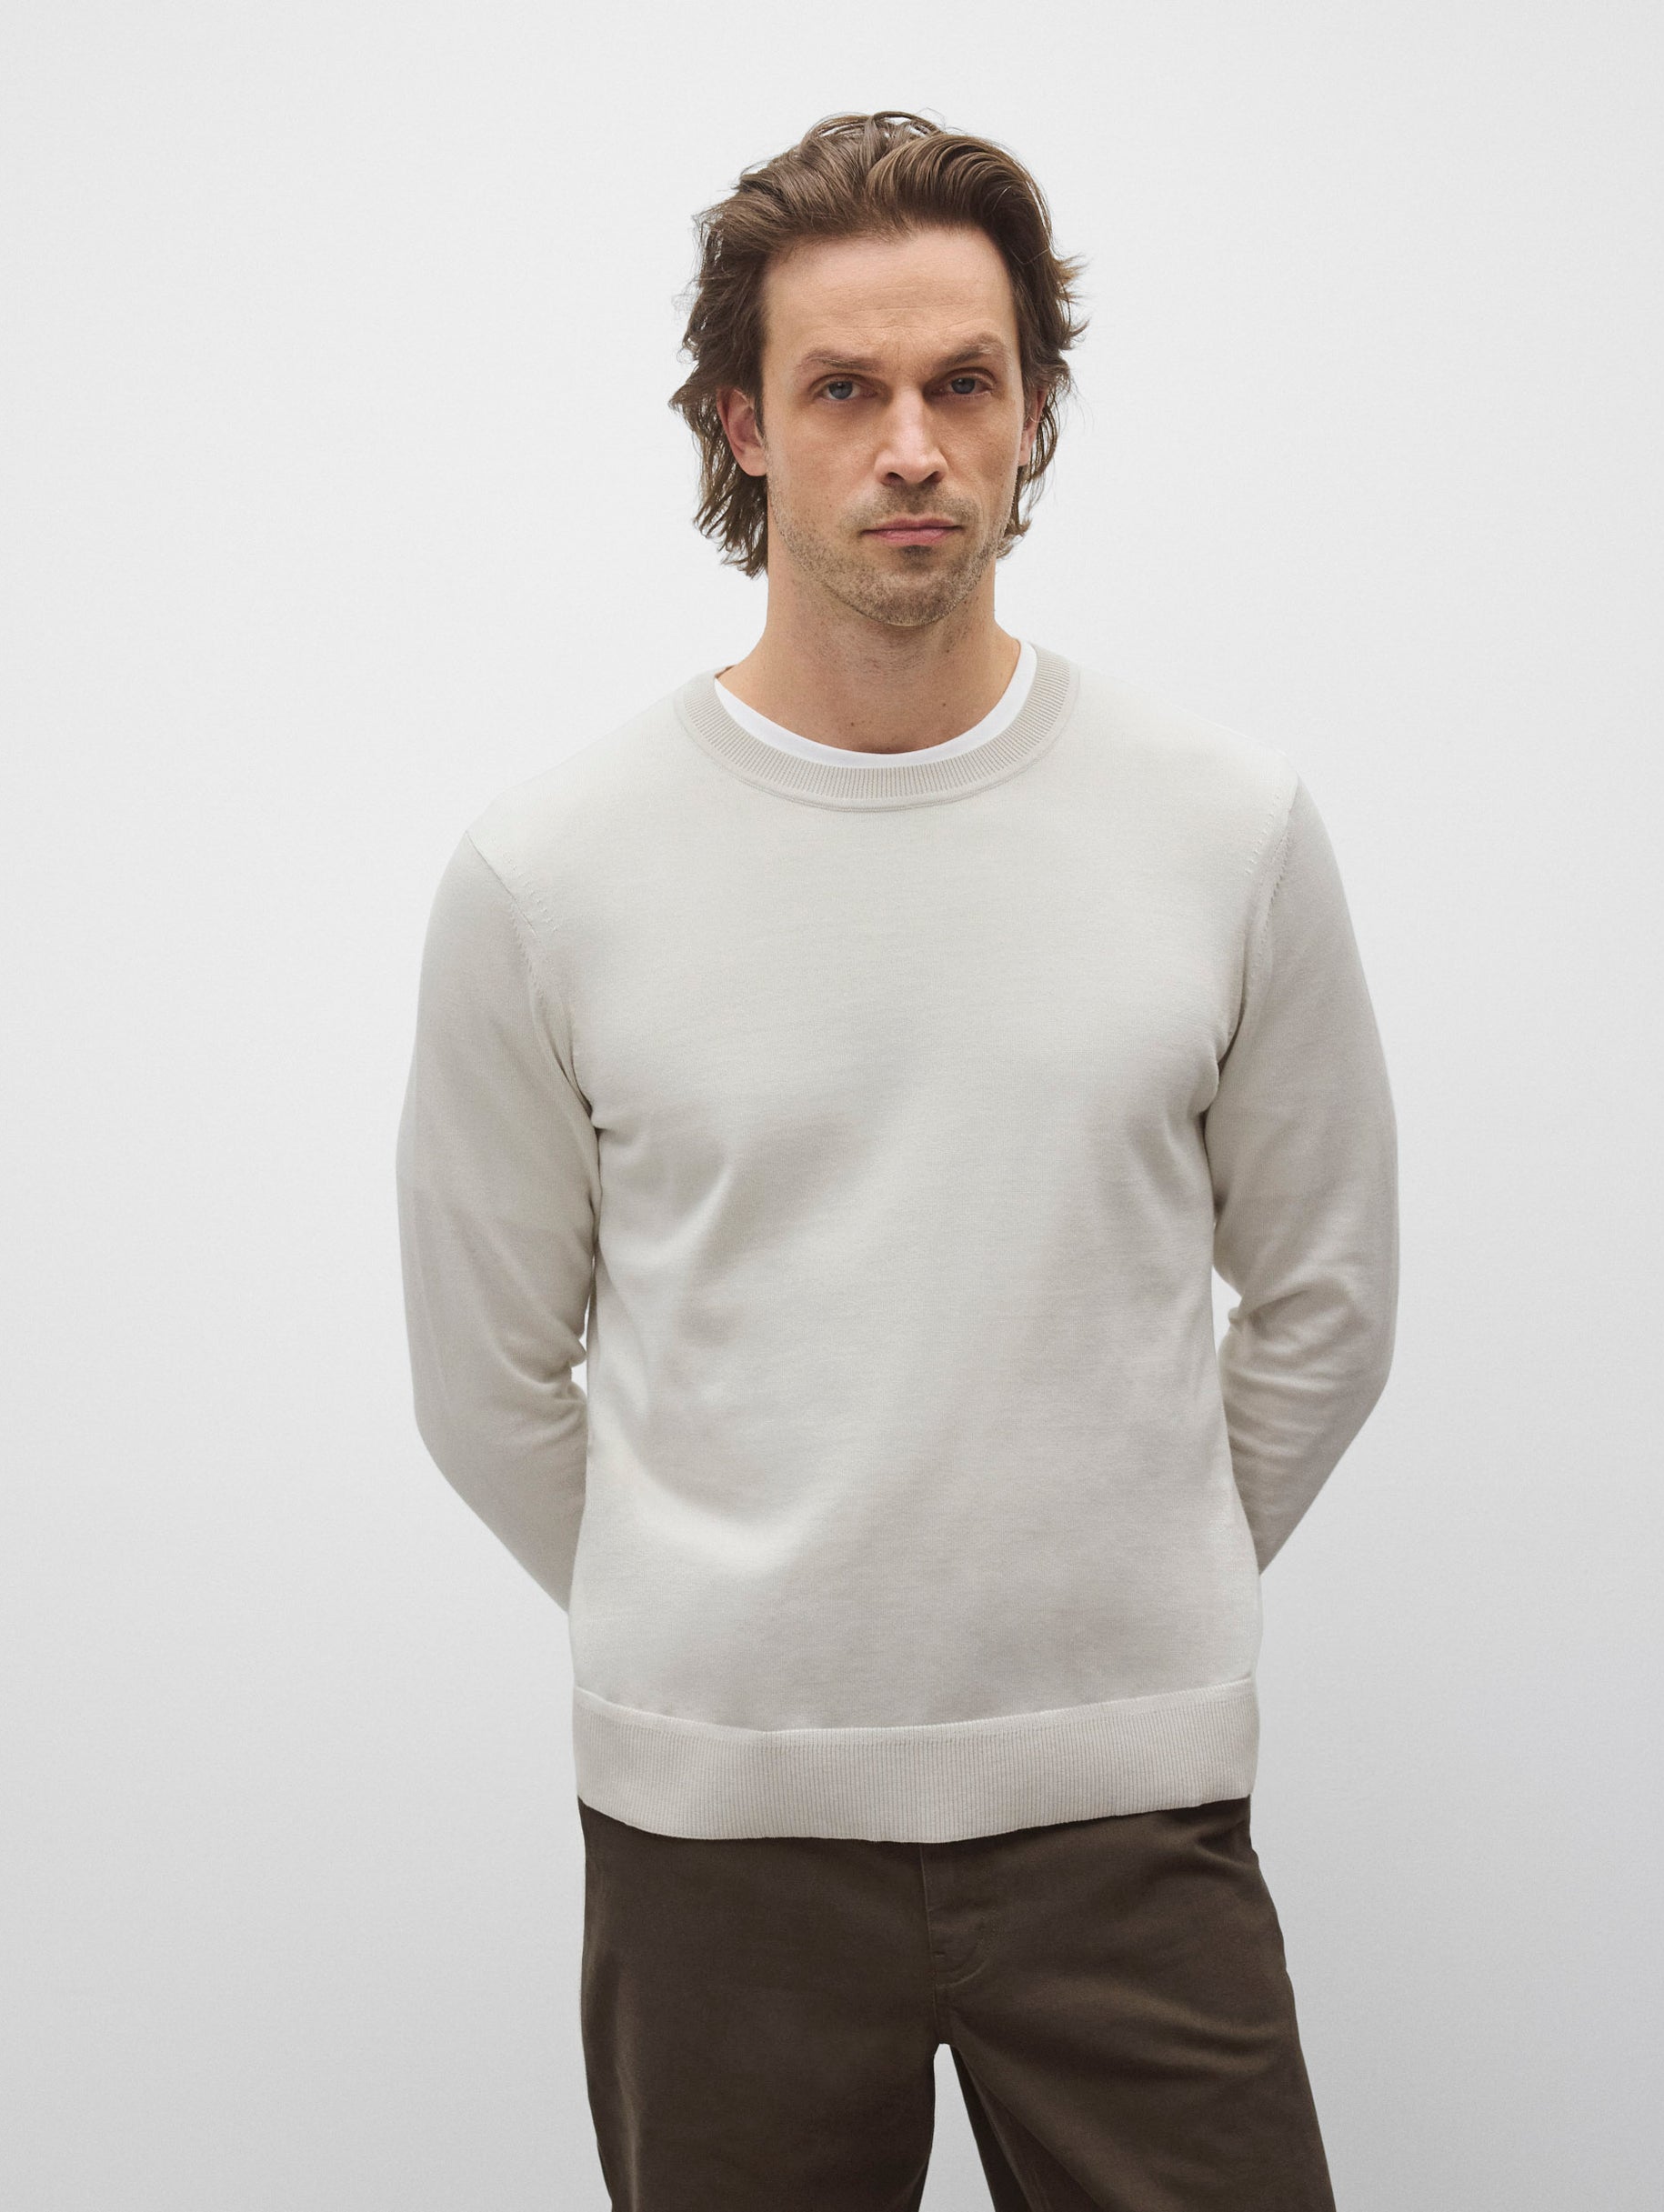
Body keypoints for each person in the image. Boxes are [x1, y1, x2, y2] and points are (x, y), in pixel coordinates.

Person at [395, 107, 1398, 2212]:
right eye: (844, 389)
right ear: (742, 424)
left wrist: (1135, 1582)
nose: (912, 446)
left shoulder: (1219, 825)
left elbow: (1325, 1293)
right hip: (717, 1843)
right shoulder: (552, 871)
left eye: (964, 381)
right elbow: (486, 1372)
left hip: (1127, 1813)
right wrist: (729, 1630)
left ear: (1033, 413)